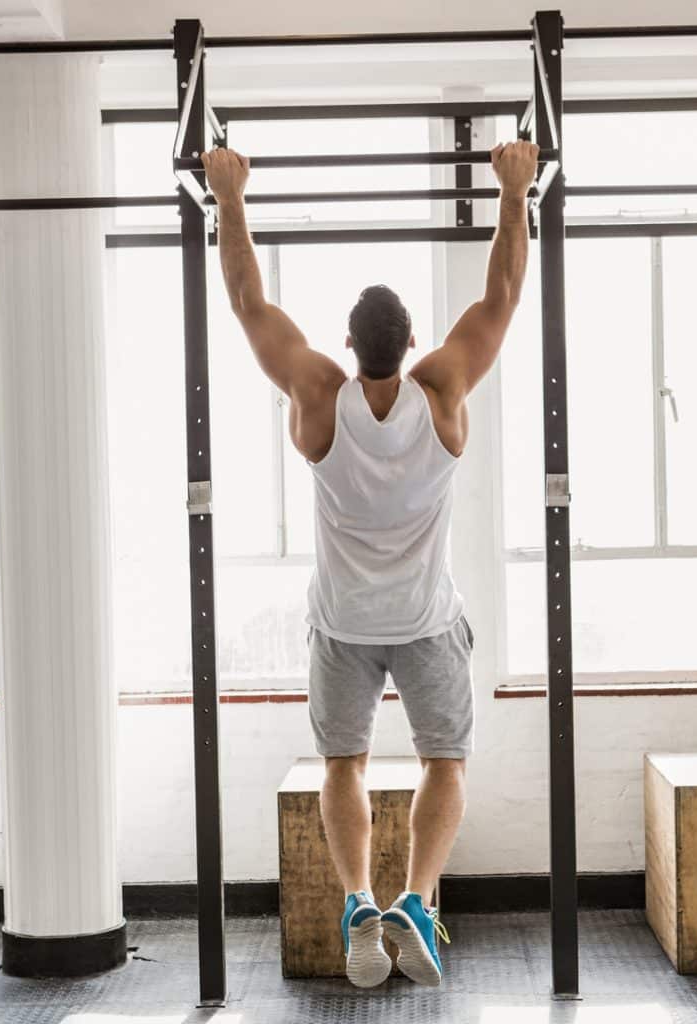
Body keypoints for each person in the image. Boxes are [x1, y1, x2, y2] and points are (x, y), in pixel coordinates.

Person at [201, 138, 539, 988]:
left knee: (342, 765)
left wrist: (230, 198)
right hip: (425, 622)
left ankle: (357, 898)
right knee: (444, 763)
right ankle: (416, 899)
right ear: (413, 342)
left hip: (344, 626)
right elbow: (501, 295)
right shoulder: (443, 394)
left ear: (348, 345)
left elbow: (247, 303)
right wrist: (513, 190)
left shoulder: (318, 399)